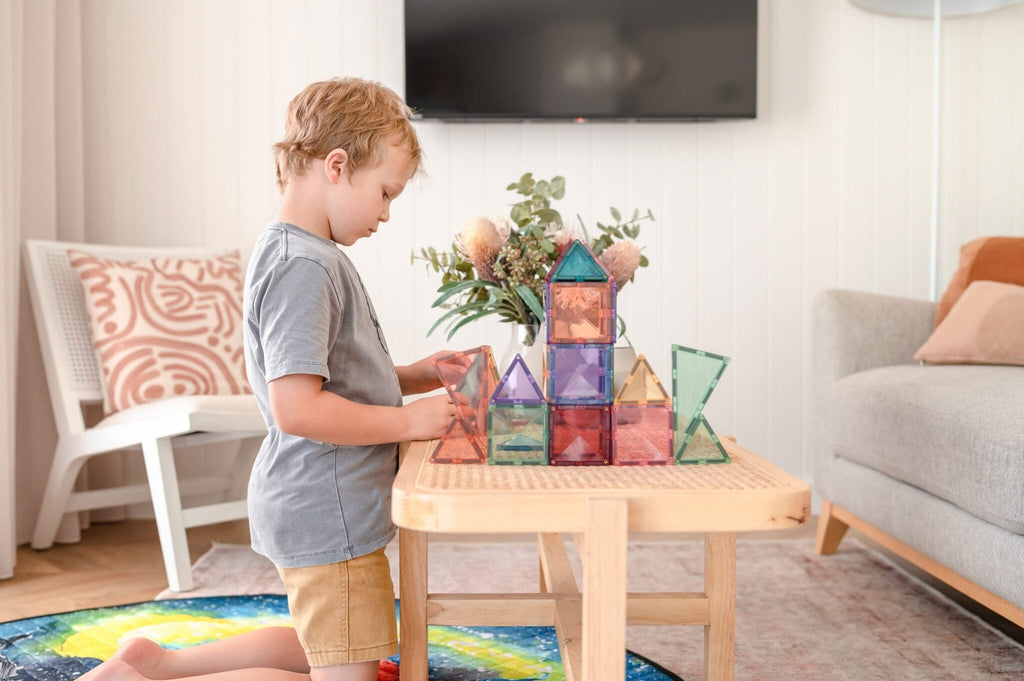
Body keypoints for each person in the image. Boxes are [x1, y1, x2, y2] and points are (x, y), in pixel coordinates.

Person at [81, 77, 458, 681]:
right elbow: (297, 407)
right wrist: (408, 420)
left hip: (327, 505)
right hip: (326, 510)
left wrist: (416, 375)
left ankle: (164, 665)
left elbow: (339, 377)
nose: (386, 214)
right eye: (385, 193)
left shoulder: (304, 253)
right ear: (337, 166)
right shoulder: (303, 267)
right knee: (345, 674)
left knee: (334, 651)